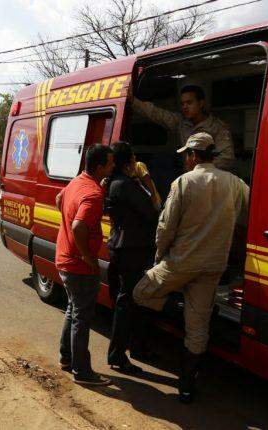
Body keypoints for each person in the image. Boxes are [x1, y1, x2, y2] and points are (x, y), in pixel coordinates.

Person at [132, 132, 248, 404]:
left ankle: (179, 309)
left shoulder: (184, 182)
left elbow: (166, 225)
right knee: (198, 329)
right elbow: (249, 212)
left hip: (181, 262)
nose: (185, 159)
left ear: (193, 155)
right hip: (214, 265)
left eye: (186, 154)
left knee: (141, 293)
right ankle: (186, 387)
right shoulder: (235, 183)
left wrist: (159, 255)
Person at [55, 144, 114, 386]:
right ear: (100, 167)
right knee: (81, 317)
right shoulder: (94, 194)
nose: (112, 167)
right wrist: (88, 257)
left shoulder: (79, 181)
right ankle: (82, 371)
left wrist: (67, 227)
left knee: (73, 310)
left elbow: (60, 199)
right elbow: (79, 226)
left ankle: (67, 358)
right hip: (78, 265)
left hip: (64, 258)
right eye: (110, 164)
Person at [105, 142, 159, 374]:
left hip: (123, 247)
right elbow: (154, 209)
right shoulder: (126, 185)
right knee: (127, 303)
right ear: (128, 162)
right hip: (132, 250)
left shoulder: (114, 183)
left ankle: (136, 347)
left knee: (129, 301)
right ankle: (117, 355)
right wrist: (146, 181)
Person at [132, 85, 235, 171]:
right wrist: (133, 101)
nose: (185, 107)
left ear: (201, 103)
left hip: (212, 179)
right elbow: (157, 114)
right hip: (189, 179)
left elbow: (227, 159)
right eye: (182, 104)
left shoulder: (218, 127)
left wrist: (199, 167)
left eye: (189, 103)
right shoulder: (181, 122)